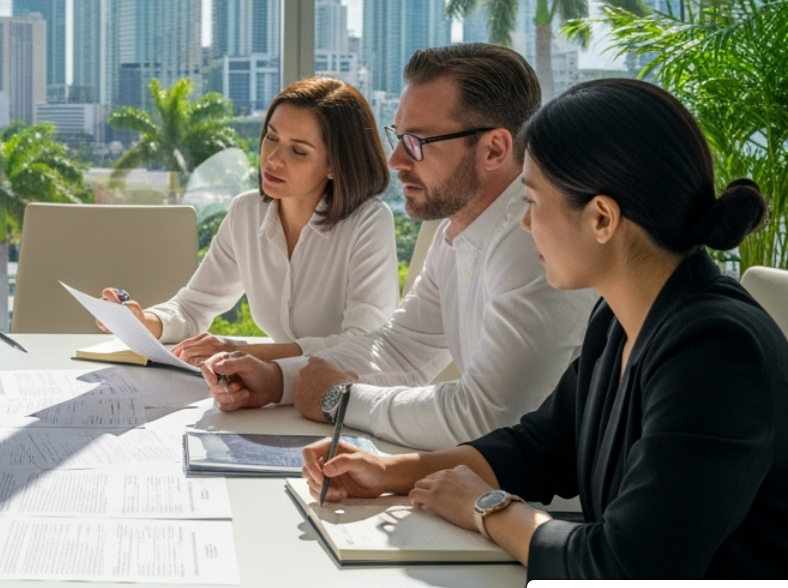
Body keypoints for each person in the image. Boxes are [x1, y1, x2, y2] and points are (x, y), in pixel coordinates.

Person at [303, 78, 788, 588]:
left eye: (532, 201)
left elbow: (621, 577)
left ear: (602, 217)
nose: (525, 226)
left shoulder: (714, 350)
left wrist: (487, 509)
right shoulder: (621, 316)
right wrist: (396, 472)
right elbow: (541, 447)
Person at [205, 44, 594, 451]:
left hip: (545, 505)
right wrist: (278, 380)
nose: (394, 160)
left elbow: (489, 416)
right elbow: (401, 348)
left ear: (494, 149)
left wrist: (339, 399)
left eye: (416, 143)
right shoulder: (461, 227)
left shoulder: (534, 240)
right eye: (398, 137)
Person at [100, 76, 398, 367]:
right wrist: (143, 321)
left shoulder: (369, 221)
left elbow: (363, 343)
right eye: (271, 137)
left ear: (335, 165)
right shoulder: (246, 212)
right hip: (281, 394)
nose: (273, 159)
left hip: (349, 400)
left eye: (298, 151)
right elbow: (192, 309)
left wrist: (246, 352)